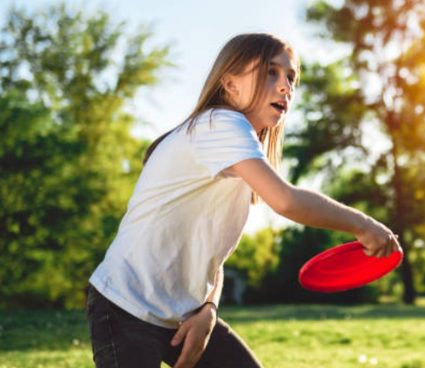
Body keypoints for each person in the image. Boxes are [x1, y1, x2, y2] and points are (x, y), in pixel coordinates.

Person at [86, 33, 401, 368]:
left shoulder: (240, 156)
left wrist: (209, 310)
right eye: (270, 72)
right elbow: (287, 200)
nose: (285, 87)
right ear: (230, 84)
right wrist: (363, 225)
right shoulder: (220, 123)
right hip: (124, 306)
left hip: (185, 316)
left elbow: (214, 257)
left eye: (290, 77)